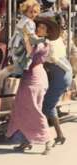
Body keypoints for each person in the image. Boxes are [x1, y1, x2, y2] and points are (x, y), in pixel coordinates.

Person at [6, 16, 60, 155]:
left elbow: (30, 52)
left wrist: (24, 35)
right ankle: (26, 140)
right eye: (38, 26)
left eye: (43, 28)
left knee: (33, 110)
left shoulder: (42, 43)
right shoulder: (37, 40)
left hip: (35, 79)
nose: (39, 28)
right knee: (21, 109)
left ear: (47, 33)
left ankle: (48, 139)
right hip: (30, 78)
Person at [0, 0, 42, 87]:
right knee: (18, 65)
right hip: (20, 46)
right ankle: (0, 75)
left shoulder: (26, 20)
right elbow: (30, 35)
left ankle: (2, 76)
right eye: (30, 12)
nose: (33, 14)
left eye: (35, 12)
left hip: (20, 45)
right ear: (25, 11)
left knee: (18, 66)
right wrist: (41, 40)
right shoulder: (28, 22)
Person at [42, 14, 72, 147]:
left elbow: (53, 59)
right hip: (64, 74)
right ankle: (59, 135)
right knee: (49, 105)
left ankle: (54, 135)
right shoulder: (58, 38)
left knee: (47, 105)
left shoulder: (49, 42)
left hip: (61, 75)